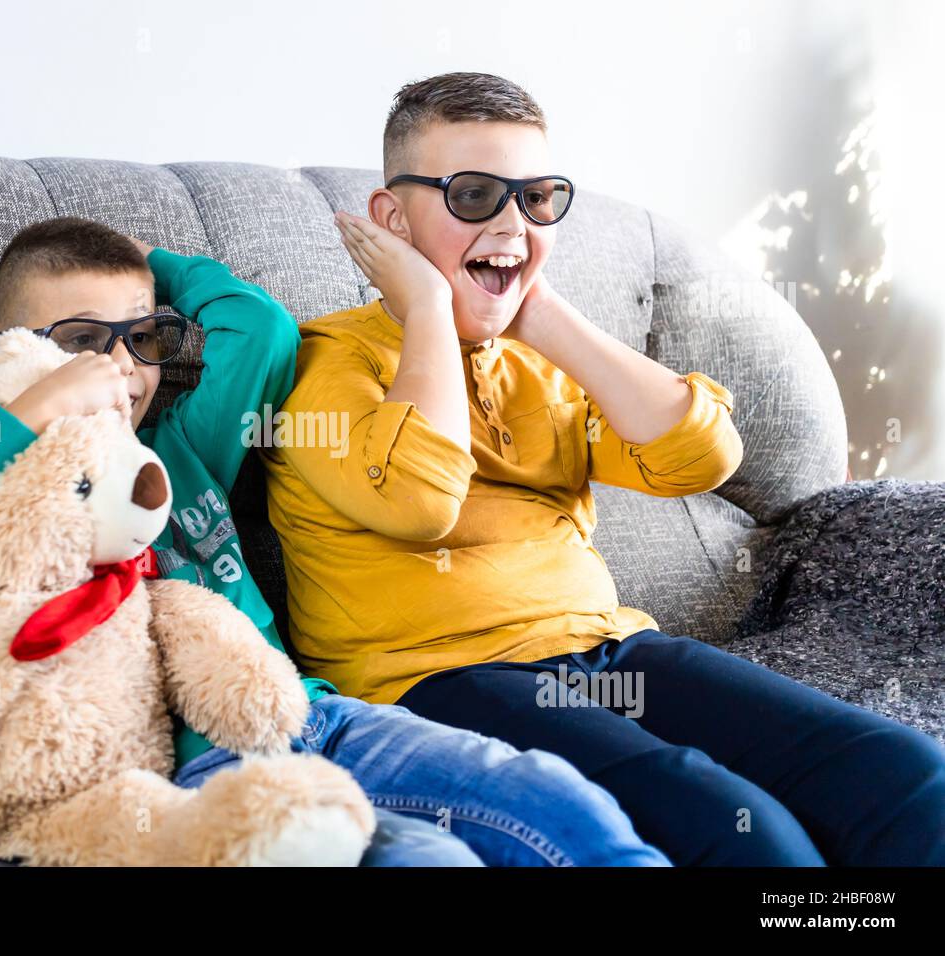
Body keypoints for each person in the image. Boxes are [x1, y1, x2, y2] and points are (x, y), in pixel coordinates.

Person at [260, 71, 945, 865]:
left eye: (538, 197)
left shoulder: (539, 366)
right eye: (476, 194)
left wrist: (545, 315)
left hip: (612, 651)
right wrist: (423, 311)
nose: (513, 222)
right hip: (439, 680)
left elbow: (702, 456)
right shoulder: (327, 365)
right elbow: (421, 500)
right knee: (749, 836)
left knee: (907, 779)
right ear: (392, 219)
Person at [0, 215, 670, 867]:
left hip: (321, 716)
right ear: (5, 352)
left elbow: (262, 328)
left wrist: (151, 260)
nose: (120, 369)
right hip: (208, 768)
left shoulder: (179, 447)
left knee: (550, 798)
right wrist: (32, 409)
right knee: (423, 855)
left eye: (141, 339)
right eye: (79, 342)